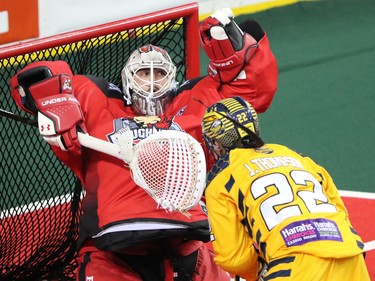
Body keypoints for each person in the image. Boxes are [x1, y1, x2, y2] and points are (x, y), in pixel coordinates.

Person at [9, 9, 277, 281]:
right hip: (112, 241)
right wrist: (54, 102)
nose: (150, 81)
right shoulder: (98, 101)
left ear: (171, 77)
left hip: (188, 237)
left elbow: (255, 89)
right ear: (127, 78)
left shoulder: (192, 102)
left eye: (158, 72)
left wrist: (234, 47)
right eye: (142, 73)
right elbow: (35, 78)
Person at [200, 96, 370, 281]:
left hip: (295, 266)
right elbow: (340, 211)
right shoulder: (297, 156)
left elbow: (234, 258)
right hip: (351, 255)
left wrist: (259, 271)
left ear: (216, 142)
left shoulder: (221, 177)